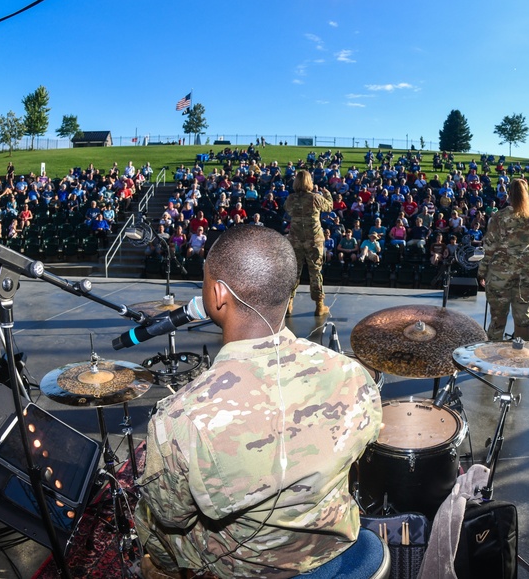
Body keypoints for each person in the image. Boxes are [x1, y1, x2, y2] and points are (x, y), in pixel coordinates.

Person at [136, 226, 382, 579]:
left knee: (148, 515)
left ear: (218, 294)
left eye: (204, 280)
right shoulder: (351, 373)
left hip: (247, 568)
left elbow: (172, 515)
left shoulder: (180, 419)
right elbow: (364, 448)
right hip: (335, 546)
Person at [477, 178, 529, 341]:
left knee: (497, 319)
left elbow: (489, 248)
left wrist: (481, 272)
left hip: (499, 276)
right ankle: (522, 355)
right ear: (526, 195)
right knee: (523, 317)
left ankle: (492, 356)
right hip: (525, 274)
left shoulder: (498, 217)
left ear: (508, 194)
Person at [283, 169, 333, 316]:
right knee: (315, 272)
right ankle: (319, 305)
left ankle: (289, 304)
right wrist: (327, 194)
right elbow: (329, 207)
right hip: (314, 240)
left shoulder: (290, 199)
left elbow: (288, 210)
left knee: (294, 272)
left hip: (295, 240)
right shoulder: (315, 198)